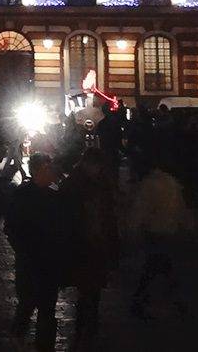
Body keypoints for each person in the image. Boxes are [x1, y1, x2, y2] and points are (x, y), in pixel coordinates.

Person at [6, 153, 73, 351]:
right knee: (28, 302)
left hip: (49, 262)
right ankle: (18, 335)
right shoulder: (23, 195)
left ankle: (44, 345)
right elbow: (12, 228)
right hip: (31, 260)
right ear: (35, 170)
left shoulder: (56, 195)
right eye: (45, 169)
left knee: (46, 308)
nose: (49, 173)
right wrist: (24, 250)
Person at [125, 155, 193, 319]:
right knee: (161, 263)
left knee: (154, 264)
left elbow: (141, 209)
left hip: (155, 230)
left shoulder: (149, 184)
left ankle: (143, 298)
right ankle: (173, 297)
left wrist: (132, 228)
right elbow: (181, 207)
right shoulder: (172, 184)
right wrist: (187, 225)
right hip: (169, 229)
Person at [64, 148, 119, 346]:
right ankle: (84, 330)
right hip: (84, 245)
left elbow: (109, 216)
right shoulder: (77, 185)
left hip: (96, 244)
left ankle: (90, 328)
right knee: (87, 290)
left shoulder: (97, 184)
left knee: (92, 291)